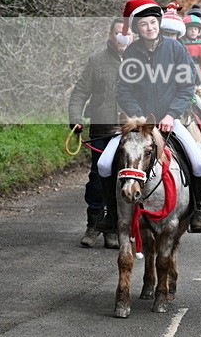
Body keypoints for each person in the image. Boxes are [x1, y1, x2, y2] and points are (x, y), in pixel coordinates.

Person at [96, 0, 201, 234]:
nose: (150, 27)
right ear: (137, 29)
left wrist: (171, 115)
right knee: (104, 164)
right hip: (139, 123)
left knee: (199, 164)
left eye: (153, 22)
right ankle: (112, 214)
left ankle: (196, 210)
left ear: (159, 23)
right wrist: (138, 116)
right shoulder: (131, 53)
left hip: (169, 120)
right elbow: (124, 90)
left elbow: (187, 87)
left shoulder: (176, 49)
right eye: (144, 24)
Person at [68, 18, 130, 249]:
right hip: (102, 130)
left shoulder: (143, 62)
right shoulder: (97, 61)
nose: (122, 37)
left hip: (130, 132)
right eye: (118, 33)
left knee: (126, 178)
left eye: (127, 33)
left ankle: (114, 227)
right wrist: (75, 119)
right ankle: (93, 224)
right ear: (110, 36)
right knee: (98, 177)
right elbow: (79, 94)